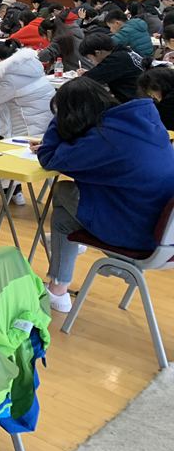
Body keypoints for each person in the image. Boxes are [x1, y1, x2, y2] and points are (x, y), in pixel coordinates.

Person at [35, 78, 174, 312]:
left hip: (140, 235)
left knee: (62, 192)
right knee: (64, 218)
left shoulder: (105, 139)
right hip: (164, 230)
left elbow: (48, 157)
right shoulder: (140, 122)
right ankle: (58, 288)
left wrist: (59, 119)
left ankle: (61, 285)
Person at [79, 31, 145, 103]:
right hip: (143, 94)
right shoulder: (123, 51)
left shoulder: (116, 59)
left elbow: (87, 80)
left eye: (90, 58)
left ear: (98, 53)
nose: (91, 61)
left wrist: (83, 75)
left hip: (135, 101)